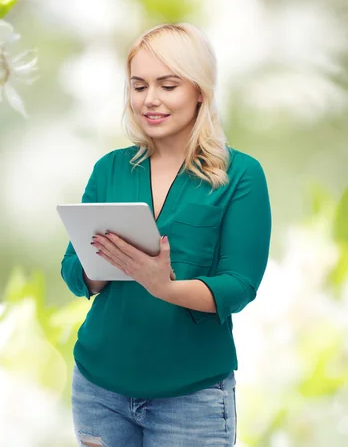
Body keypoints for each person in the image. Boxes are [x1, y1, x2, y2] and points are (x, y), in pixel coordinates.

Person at [60, 22, 272, 447]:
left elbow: (239, 287)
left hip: (190, 397)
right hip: (100, 387)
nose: (150, 99)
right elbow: (72, 269)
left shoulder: (240, 175)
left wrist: (165, 286)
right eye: (139, 86)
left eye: (167, 85)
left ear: (200, 91)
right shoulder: (112, 167)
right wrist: (99, 267)